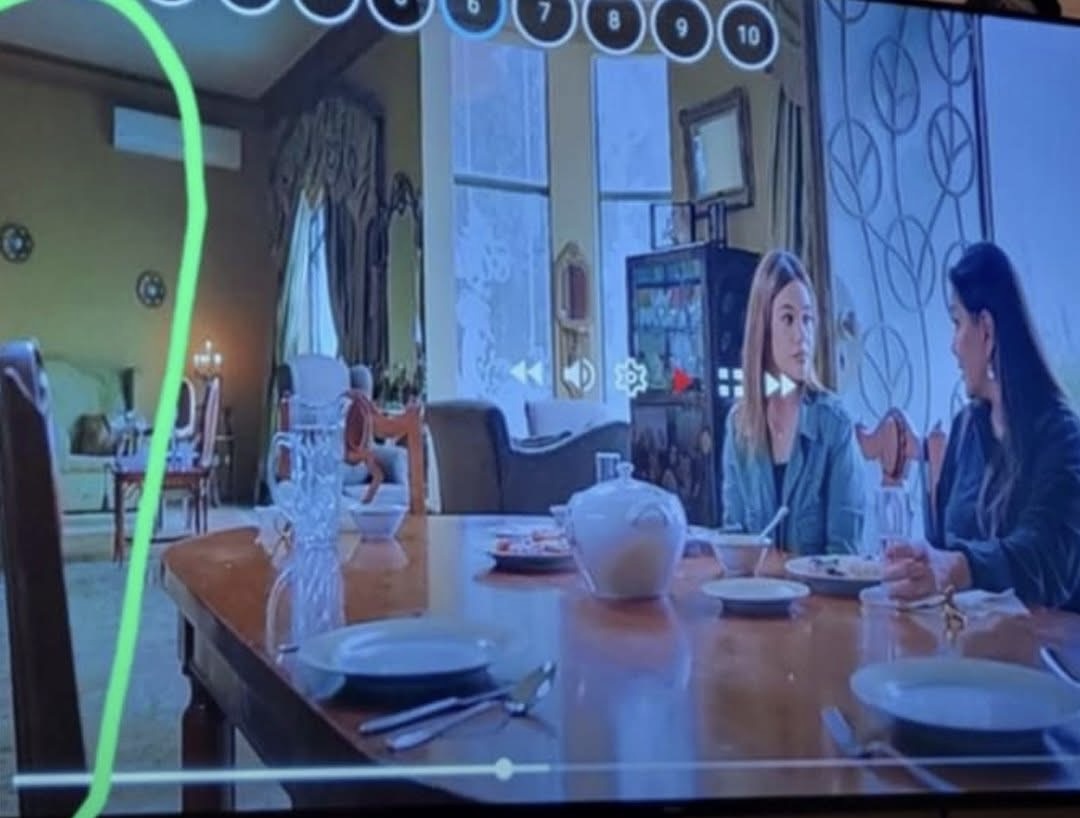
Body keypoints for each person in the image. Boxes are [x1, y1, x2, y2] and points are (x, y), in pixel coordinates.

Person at [883, 242, 1080, 612]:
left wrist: (959, 567)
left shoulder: (1062, 436)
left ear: (986, 331)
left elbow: (1045, 558)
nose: (953, 345)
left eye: (957, 323)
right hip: (966, 638)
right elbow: (942, 548)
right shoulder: (965, 430)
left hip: (1044, 644)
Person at [721, 250, 865, 555]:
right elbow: (735, 541)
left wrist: (782, 572)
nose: (802, 335)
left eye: (807, 319)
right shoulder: (738, 426)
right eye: (788, 319)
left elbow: (844, 553)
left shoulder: (834, 424)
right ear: (763, 329)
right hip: (753, 587)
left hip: (819, 588)